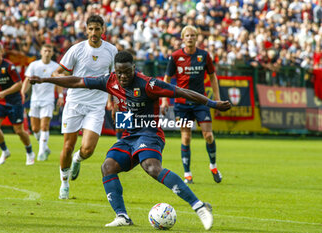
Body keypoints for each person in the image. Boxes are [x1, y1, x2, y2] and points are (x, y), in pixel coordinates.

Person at [29, 50, 231, 230]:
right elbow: (77, 81)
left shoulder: (148, 84)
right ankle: (122, 216)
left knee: (151, 167)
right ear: (115, 71)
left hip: (150, 133)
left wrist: (213, 103)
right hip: (128, 136)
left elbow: (181, 91)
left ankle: (199, 206)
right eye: (119, 72)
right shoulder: (110, 81)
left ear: (134, 68)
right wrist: (46, 80)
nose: (123, 76)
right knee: (108, 167)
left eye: (127, 72)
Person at [51, 15, 118, 199]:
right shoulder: (77, 49)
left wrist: (113, 101)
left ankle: (77, 160)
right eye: (91, 29)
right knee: (68, 146)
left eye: (97, 29)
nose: (94, 33)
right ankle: (64, 183)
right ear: (86, 30)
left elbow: (113, 79)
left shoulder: (111, 50)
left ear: (103, 29)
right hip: (74, 103)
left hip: (96, 105)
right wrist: (61, 88)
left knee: (88, 150)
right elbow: (57, 72)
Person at [161, 25, 222, 184]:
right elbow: (166, 80)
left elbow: (213, 77)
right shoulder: (175, 56)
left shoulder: (204, 55)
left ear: (197, 38)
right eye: (187, 35)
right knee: (186, 137)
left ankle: (213, 166)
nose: (190, 38)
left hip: (200, 102)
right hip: (181, 105)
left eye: (192, 35)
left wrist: (216, 99)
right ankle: (187, 174)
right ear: (183, 38)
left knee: (208, 135)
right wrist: (165, 100)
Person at [0, 42, 35, 165]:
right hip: (0, 101)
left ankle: (29, 152)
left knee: (19, 131)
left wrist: (4, 93)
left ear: (1, 53)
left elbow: (19, 84)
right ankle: (5, 151)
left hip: (14, 101)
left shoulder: (9, 66)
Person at [21, 44, 63, 161]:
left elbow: (58, 82)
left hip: (48, 100)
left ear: (52, 53)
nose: (47, 53)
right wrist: (22, 93)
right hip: (35, 99)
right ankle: (45, 147)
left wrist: (60, 96)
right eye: (45, 50)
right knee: (34, 128)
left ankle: (40, 153)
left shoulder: (55, 66)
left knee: (44, 126)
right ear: (41, 52)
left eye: (49, 51)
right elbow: (27, 80)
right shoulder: (34, 65)